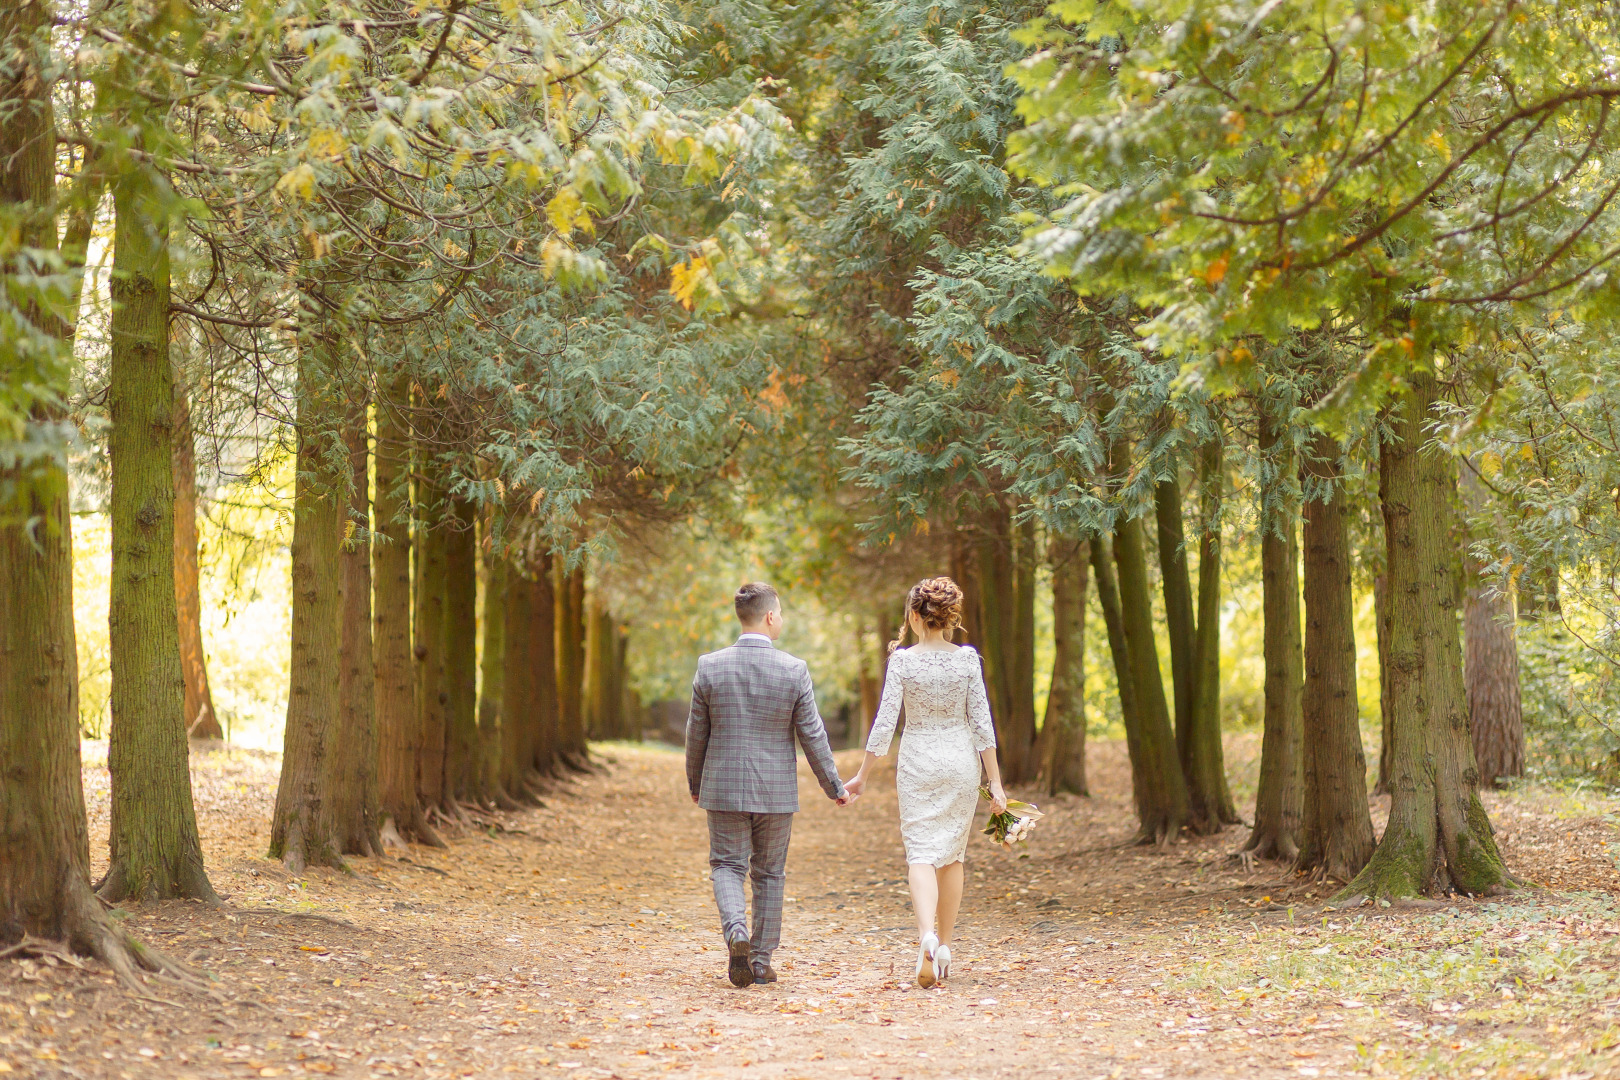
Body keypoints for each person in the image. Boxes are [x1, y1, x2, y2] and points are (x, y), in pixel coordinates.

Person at [685, 582, 853, 988]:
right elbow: (812, 734)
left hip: (723, 787)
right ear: (771, 616)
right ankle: (760, 961)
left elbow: (696, 735)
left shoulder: (710, 666)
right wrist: (834, 786)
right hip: (776, 792)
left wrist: (696, 781)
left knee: (727, 865)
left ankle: (736, 934)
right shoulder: (793, 669)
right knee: (770, 873)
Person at [842, 576, 1006, 989]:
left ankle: (926, 937)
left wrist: (862, 775)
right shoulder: (968, 660)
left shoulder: (903, 661)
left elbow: (885, 722)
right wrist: (997, 783)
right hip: (960, 762)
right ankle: (946, 946)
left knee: (920, 853)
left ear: (915, 616)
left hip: (917, 762)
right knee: (952, 855)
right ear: (949, 617)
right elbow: (982, 724)